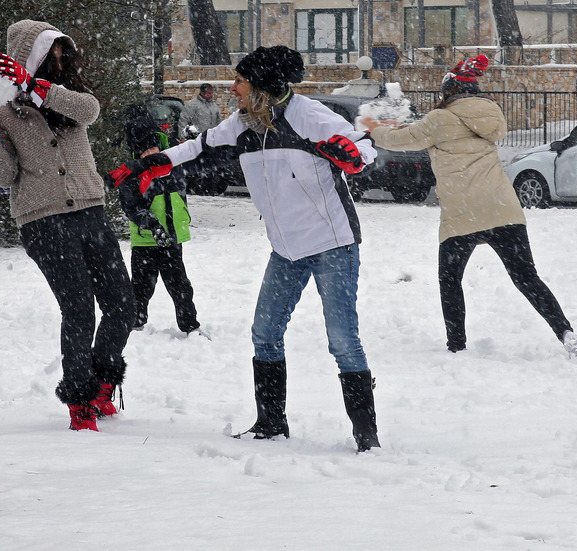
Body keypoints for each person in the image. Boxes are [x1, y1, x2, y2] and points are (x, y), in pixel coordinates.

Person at [110, 45, 382, 453]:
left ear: (262, 86)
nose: (232, 88)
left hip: (332, 244)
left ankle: (367, 437)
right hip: (285, 249)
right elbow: (197, 146)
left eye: (240, 81)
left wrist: (352, 157)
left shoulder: (309, 115)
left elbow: (362, 145)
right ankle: (271, 423)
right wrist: (149, 164)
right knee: (265, 334)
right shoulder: (242, 124)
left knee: (343, 340)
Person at [0, 20, 135, 431]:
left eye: (60, 52)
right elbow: (3, 175)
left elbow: (91, 110)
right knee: (79, 307)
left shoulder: (66, 98)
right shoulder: (1, 112)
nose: (58, 60)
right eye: (48, 53)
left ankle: (103, 380)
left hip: (89, 210)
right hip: (43, 220)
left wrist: (37, 88)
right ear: (25, 58)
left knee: (123, 304)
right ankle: (79, 398)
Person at [360, 55, 577, 358]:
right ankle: (566, 332)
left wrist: (373, 129)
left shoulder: (439, 120)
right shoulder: (492, 114)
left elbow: (402, 140)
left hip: (462, 215)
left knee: (450, 280)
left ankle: (457, 345)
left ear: (449, 91)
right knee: (526, 278)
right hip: (502, 209)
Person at [118, 113, 202, 336]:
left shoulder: (172, 167)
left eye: (153, 149)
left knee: (180, 286)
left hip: (171, 239)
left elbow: (196, 162)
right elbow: (131, 207)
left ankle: (190, 325)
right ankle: (135, 323)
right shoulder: (133, 175)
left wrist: (194, 143)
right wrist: (152, 225)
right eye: (144, 151)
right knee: (141, 287)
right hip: (146, 239)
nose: (150, 154)